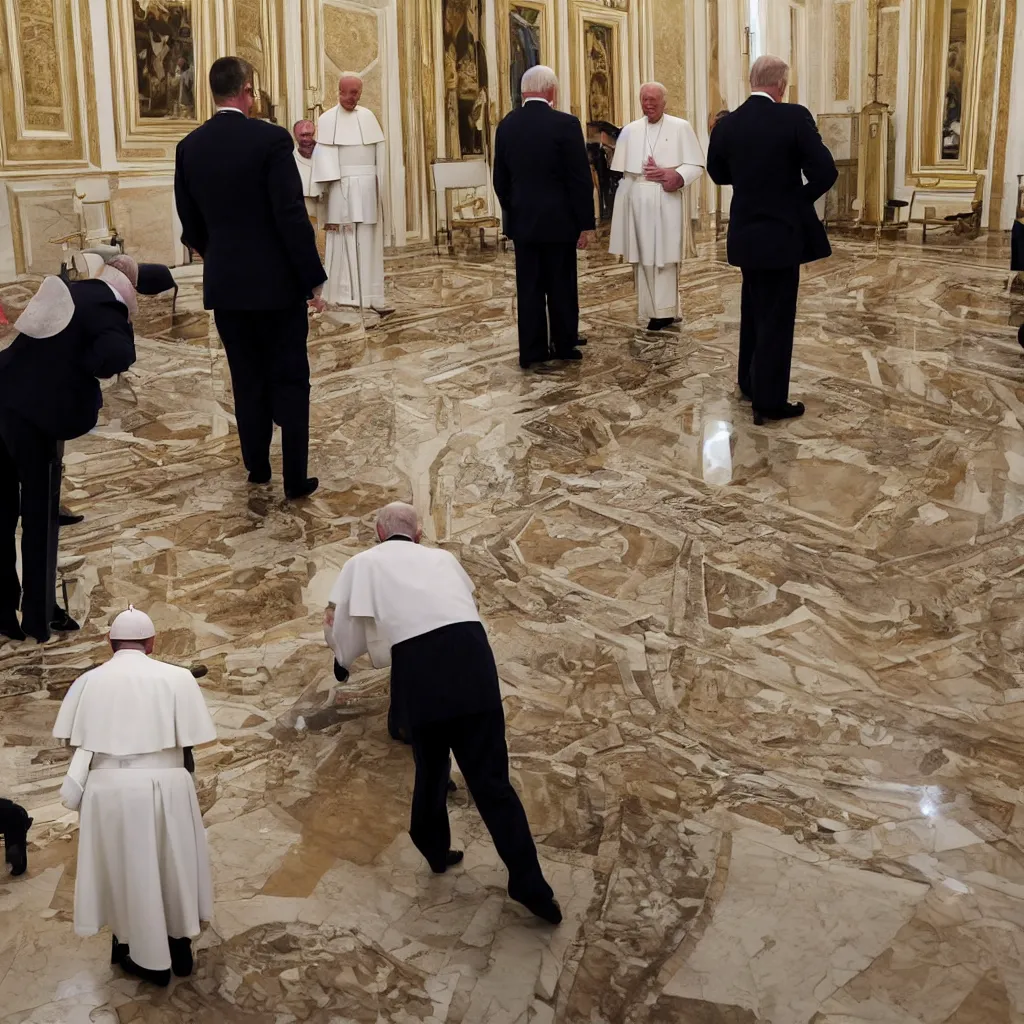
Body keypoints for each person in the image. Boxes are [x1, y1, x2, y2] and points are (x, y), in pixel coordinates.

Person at [324, 502, 562, 925]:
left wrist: (342, 659)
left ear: (379, 532)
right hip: (473, 660)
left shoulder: (363, 563)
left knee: (432, 768)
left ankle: (434, 849)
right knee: (492, 782)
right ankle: (530, 882)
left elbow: (342, 621)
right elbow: (461, 600)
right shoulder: (444, 558)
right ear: (419, 534)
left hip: (421, 670)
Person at [174, 56, 326, 500]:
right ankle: (295, 478)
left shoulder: (190, 146)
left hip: (227, 286)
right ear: (246, 91)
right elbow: (289, 215)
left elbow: (190, 222)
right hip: (276, 288)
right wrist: (311, 276)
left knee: (246, 377)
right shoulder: (270, 139)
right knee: (291, 378)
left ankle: (258, 468)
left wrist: (217, 254)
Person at [53, 606, 217, 987]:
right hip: (169, 782)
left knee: (126, 870)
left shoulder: (88, 681)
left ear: (109, 642)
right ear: (152, 643)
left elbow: (67, 738)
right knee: (173, 862)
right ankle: (178, 947)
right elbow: (193, 736)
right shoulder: (177, 678)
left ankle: (139, 951)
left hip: (109, 789)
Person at [0, 258, 137, 643]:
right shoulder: (108, 305)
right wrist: (83, 367)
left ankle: (3, 612)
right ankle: (39, 618)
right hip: (35, 416)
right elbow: (116, 354)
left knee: (2, 513)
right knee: (40, 517)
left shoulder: (74, 290)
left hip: (3, 388)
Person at [707, 55, 837, 425]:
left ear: (752, 81)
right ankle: (768, 401)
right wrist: (796, 197)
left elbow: (717, 173)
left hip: (747, 230)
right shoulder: (794, 117)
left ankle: (749, 381)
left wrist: (751, 183)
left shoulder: (728, 124)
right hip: (782, 233)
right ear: (781, 85)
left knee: (754, 307)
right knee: (777, 317)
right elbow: (825, 171)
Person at [493, 65, 595, 371]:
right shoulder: (565, 124)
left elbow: (500, 179)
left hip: (524, 223)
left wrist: (515, 209)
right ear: (551, 91)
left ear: (524, 92)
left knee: (529, 287)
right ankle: (564, 343)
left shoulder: (507, 125)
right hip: (560, 221)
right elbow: (579, 179)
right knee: (562, 284)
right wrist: (586, 224)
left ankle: (533, 350)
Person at [609, 82, 705, 331]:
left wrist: (675, 176)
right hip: (638, 200)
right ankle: (653, 310)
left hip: (666, 197)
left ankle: (664, 312)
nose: (648, 104)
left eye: (653, 100)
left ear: (664, 102)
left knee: (665, 257)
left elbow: (696, 165)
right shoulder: (630, 131)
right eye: (644, 100)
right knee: (642, 258)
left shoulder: (680, 127)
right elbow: (624, 174)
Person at [312, 74, 394, 314]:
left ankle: (370, 295)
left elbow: (380, 155)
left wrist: (382, 189)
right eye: (347, 92)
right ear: (338, 91)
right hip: (341, 187)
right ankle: (341, 293)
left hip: (368, 188)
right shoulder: (327, 120)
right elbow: (323, 158)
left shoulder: (368, 117)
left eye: (356, 93)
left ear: (361, 92)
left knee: (368, 238)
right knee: (341, 238)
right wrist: (325, 189)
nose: (351, 97)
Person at [293, 119, 326, 259]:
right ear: (295, 136)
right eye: (303, 135)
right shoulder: (290, 156)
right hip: (304, 202)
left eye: (310, 135)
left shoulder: (326, 154)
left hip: (326, 201)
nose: (307, 139)